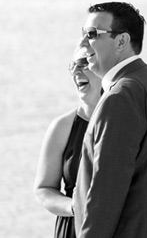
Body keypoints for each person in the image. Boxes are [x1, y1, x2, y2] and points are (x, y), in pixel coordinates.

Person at [73, 1, 147, 238]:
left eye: (91, 35)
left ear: (121, 41)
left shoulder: (120, 96)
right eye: (82, 35)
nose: (82, 44)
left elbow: (106, 191)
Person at [34, 51, 103, 238]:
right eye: (73, 65)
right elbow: (43, 189)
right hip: (74, 228)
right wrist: (75, 206)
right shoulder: (62, 127)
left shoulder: (126, 120)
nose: (76, 72)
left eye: (83, 64)